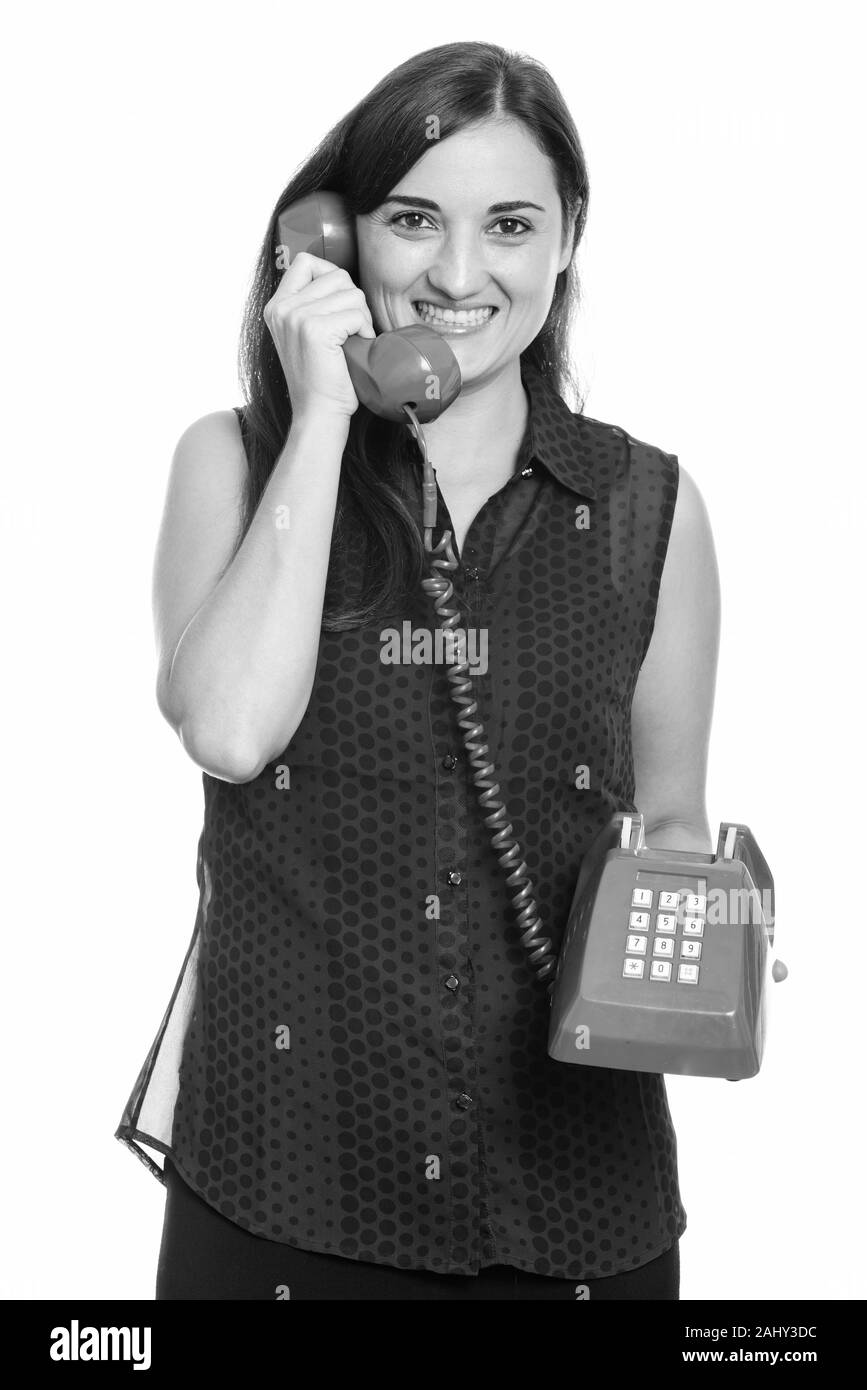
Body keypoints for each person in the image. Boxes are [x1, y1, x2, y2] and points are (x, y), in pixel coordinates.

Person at [115, 40, 720, 1302]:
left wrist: (703, 922)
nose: (457, 274)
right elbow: (228, 727)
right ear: (332, 242)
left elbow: (668, 816)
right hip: (287, 1186)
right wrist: (325, 413)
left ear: (567, 238)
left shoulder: (644, 507)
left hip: (577, 1206)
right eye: (410, 221)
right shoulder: (231, 464)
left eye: (508, 224)